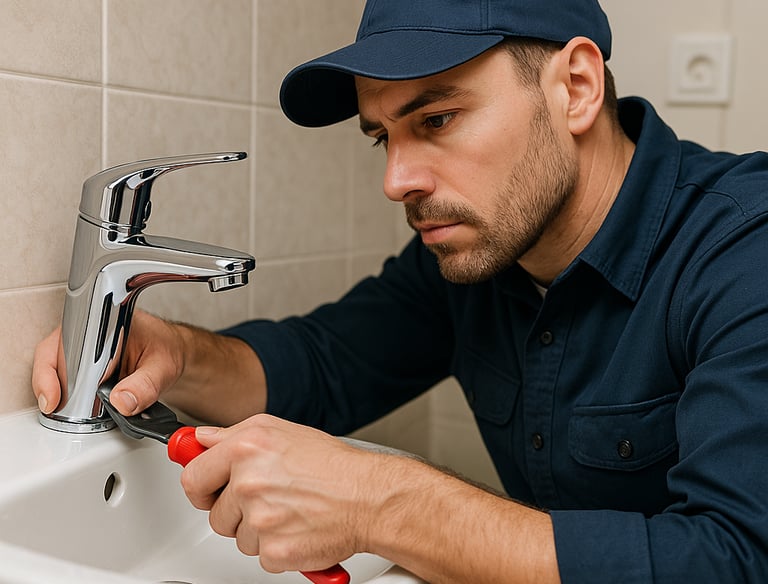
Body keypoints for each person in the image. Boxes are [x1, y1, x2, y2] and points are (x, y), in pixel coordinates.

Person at [32, 0, 768, 582]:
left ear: (575, 88)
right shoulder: (478, 252)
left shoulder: (746, 249)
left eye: (438, 118)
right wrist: (174, 353)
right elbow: (320, 366)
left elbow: (735, 560)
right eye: (384, 136)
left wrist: (387, 502)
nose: (396, 181)